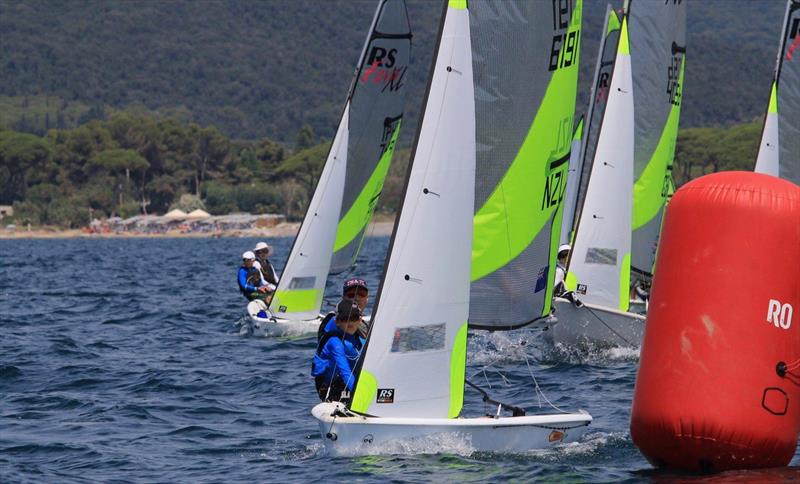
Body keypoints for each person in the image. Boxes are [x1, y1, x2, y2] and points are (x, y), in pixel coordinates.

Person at [312, 298, 364, 402]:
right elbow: (345, 371)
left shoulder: (360, 338)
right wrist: (362, 395)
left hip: (353, 381)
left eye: (354, 318)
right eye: (345, 319)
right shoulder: (334, 343)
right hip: (330, 387)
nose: (350, 322)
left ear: (360, 320)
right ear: (337, 321)